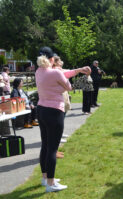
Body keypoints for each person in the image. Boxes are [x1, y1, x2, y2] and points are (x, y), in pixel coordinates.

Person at [36, 46, 87, 192]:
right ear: (52, 59)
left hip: (42, 110)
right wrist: (65, 84)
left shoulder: (39, 71)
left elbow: (63, 76)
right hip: (54, 111)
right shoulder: (55, 73)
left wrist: (77, 70)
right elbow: (69, 86)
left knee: (45, 145)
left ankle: (45, 178)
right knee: (52, 148)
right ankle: (51, 184)